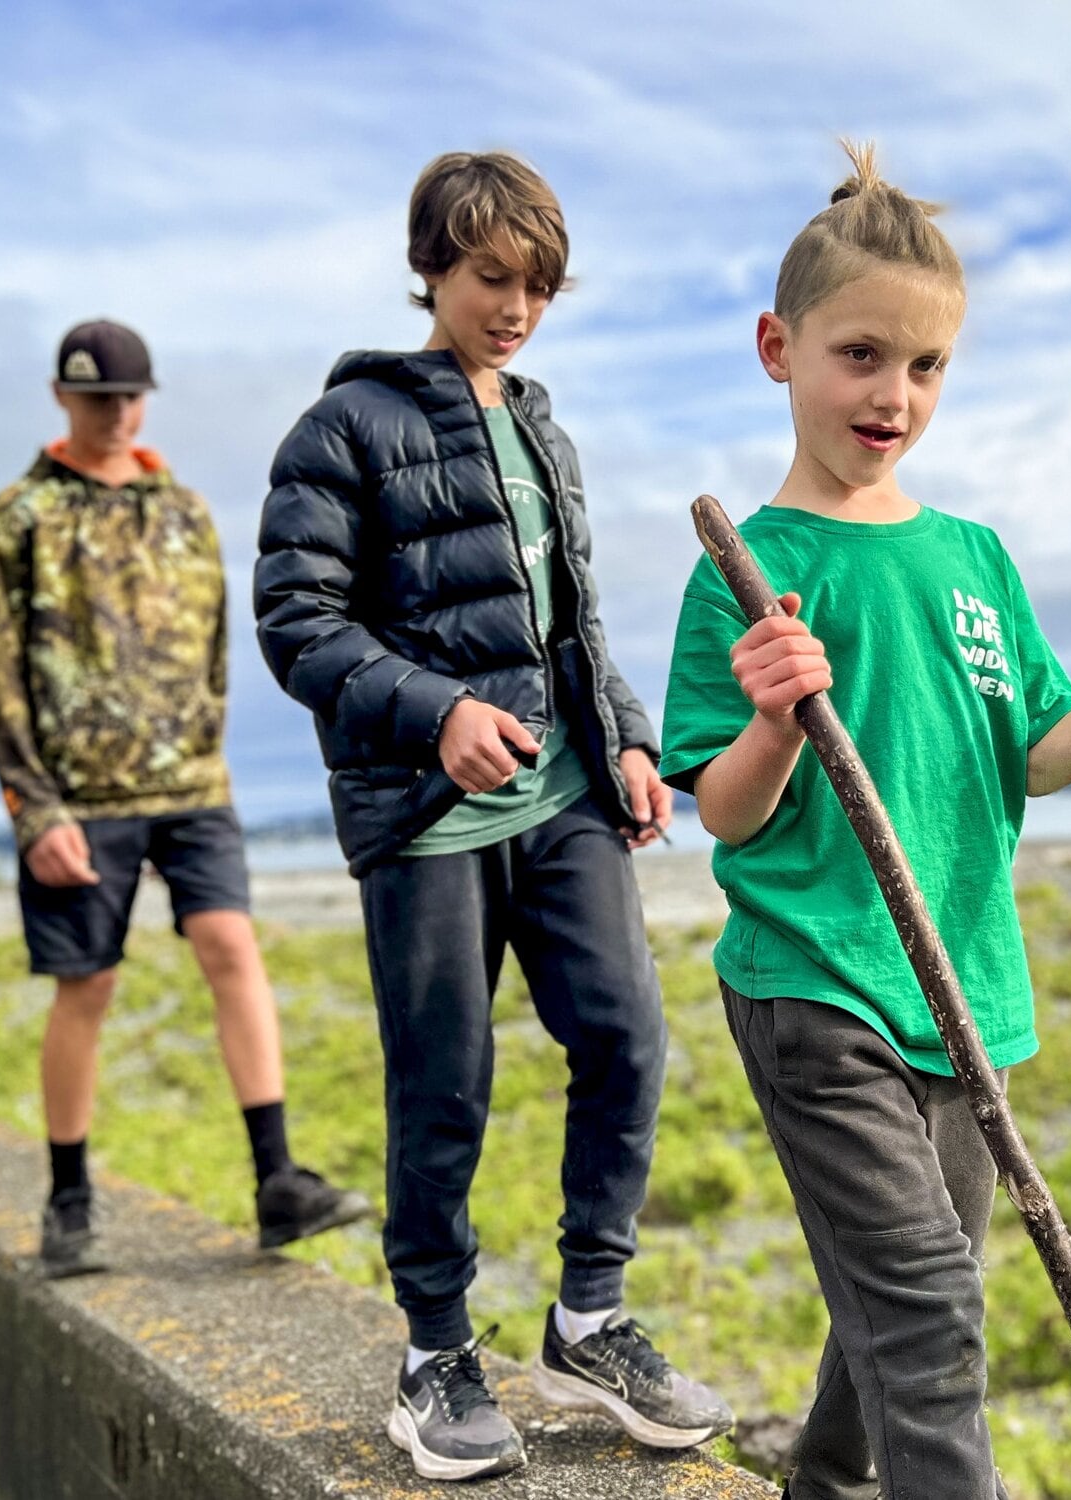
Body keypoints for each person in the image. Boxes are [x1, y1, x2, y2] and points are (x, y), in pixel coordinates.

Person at [658, 144, 1071, 1500]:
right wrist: (775, 722)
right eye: (860, 355)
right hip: (817, 987)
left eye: (925, 366)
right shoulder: (749, 573)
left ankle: (827, 1486)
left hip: (963, 996)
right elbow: (724, 815)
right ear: (777, 349)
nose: (892, 395)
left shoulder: (975, 557)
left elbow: (1036, 755)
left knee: (897, 1305)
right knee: (931, 1315)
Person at [255, 152, 733, 1481]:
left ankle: (588, 1321)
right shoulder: (341, 429)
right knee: (444, 1085)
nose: (514, 308)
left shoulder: (543, 430)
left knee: (626, 1039)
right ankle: (434, 1354)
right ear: (429, 269)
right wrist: (436, 714)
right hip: (426, 815)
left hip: (564, 799)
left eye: (536, 287)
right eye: (488, 278)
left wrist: (626, 737)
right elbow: (296, 623)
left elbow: (572, 623)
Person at [0, 318, 372, 1279]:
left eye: (128, 396)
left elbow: (214, 649)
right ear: (62, 398)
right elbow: (1, 670)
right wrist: (33, 807)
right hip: (76, 797)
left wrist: (206, 750)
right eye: (96, 398)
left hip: (193, 783)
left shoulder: (186, 510)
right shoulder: (20, 515)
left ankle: (277, 1180)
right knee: (89, 985)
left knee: (233, 947)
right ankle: (69, 1201)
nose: (115, 413)